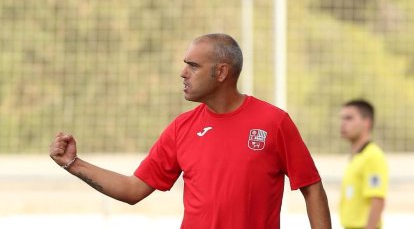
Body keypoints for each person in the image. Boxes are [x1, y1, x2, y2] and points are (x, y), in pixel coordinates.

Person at [50, 33, 331, 229]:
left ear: (221, 73)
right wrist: (72, 164)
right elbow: (133, 189)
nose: (183, 73)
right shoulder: (181, 128)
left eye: (193, 66)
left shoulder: (274, 122)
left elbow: (312, 187)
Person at [339, 100, 389, 229]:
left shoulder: (373, 156)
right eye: (342, 118)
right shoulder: (357, 157)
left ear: (367, 122)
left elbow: (377, 199)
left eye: (349, 118)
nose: (343, 123)